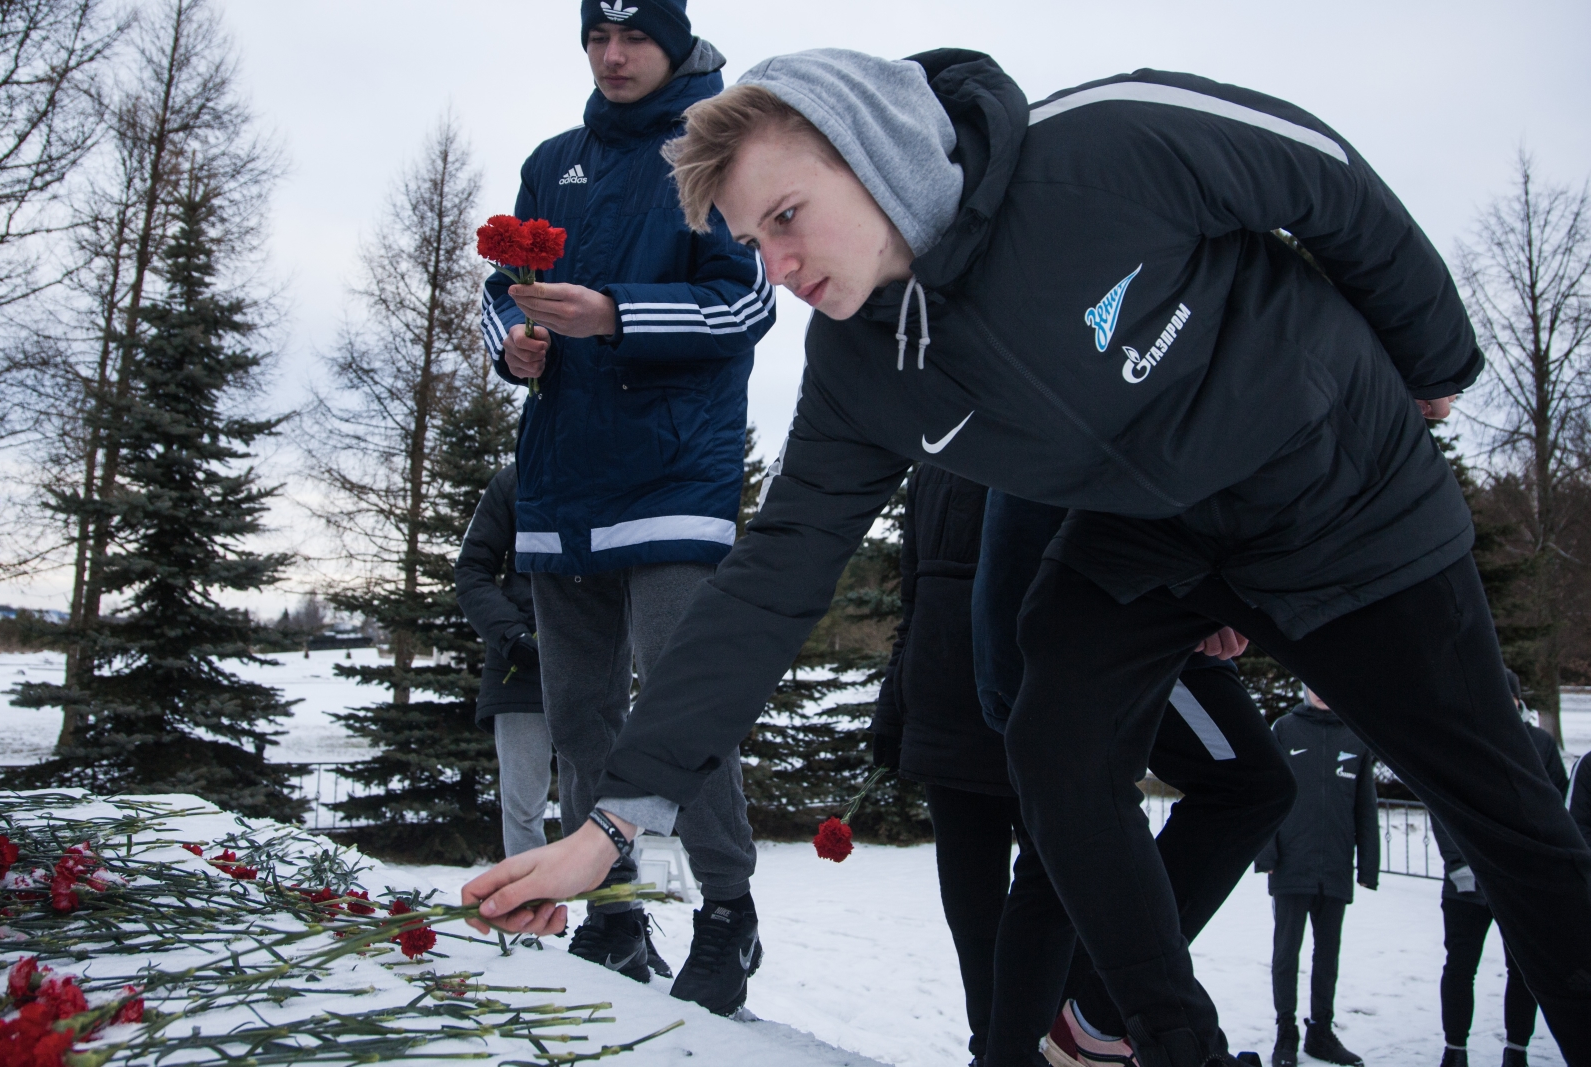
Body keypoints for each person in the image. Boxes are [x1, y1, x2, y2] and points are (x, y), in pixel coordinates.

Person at [462, 50, 1591, 1065]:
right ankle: (1158, 1039)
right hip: (1150, 528)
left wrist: (1431, 357)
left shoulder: (1102, 147)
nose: (780, 262)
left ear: (875, 154)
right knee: (1052, 742)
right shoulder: (861, 367)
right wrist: (617, 821)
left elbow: (1321, 174)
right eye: (756, 240)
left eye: (790, 215)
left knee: (1498, 802)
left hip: (1339, 486)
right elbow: (773, 578)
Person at [475, 0, 774, 1015]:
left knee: (681, 703)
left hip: (673, 479)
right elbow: (499, 288)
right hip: (562, 482)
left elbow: (747, 302)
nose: (612, 55)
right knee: (579, 712)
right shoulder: (553, 157)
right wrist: (512, 343)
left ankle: (726, 911)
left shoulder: (719, 143)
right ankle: (613, 911)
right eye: (595, 38)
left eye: (633, 37)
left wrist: (615, 314)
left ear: (675, 42)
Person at [970, 489, 1292, 1067]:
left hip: (1140, 592)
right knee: (1238, 787)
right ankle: (1082, 1030)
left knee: (1069, 835)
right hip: (1109, 601)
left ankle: (1070, 1035)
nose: (1442, 410)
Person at [1432, 670, 1569, 1067]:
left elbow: (1555, 807)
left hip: (1520, 882)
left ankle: (1517, 1051)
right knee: (1460, 966)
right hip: (1467, 881)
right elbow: (1442, 805)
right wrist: (1458, 864)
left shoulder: (1540, 744)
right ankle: (1454, 1049)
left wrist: (1538, 867)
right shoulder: (1459, 739)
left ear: (1517, 701)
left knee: (1523, 969)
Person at [1255, 688, 1378, 1067]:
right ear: (1303, 687)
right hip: (1291, 864)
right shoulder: (1285, 729)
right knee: (1286, 953)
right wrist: (1267, 853)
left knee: (1327, 955)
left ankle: (1320, 1032)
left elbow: (1365, 806)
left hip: (1336, 867)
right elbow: (1267, 792)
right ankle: (1286, 1032)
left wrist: (1368, 866)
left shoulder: (1356, 736)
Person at [455, 462, 553, 857]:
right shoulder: (514, 480)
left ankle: (615, 915)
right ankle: (533, 913)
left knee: (606, 801)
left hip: (594, 662)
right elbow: (471, 570)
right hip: (521, 667)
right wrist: (511, 635)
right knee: (523, 809)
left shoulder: (614, 471)